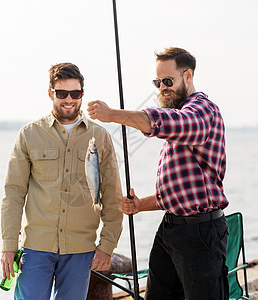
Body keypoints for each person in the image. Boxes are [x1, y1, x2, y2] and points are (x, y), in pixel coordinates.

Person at [87, 47, 229, 300]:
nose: (162, 88)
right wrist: (141, 205)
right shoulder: (180, 115)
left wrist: (112, 115)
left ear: (188, 76)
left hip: (200, 234)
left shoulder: (203, 111)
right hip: (171, 229)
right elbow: (180, 193)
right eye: (157, 82)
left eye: (168, 81)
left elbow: (170, 123)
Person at [0, 62, 123, 300]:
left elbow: (112, 196)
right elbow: (13, 194)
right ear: (50, 94)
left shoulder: (101, 137)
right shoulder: (29, 134)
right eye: (62, 93)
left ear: (82, 94)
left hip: (81, 249)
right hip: (36, 247)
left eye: (75, 93)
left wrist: (107, 245)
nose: (69, 99)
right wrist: (8, 246)